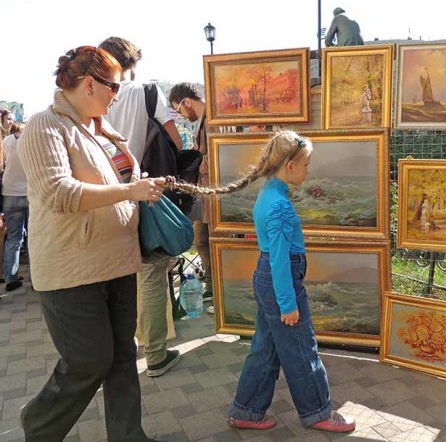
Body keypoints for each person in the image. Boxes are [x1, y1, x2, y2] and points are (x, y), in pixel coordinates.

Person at [17, 46, 164, 442]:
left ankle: (128, 436)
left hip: (116, 260)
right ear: (88, 84)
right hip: (72, 268)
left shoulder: (99, 128)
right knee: (88, 361)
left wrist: (141, 185)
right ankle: (39, 426)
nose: (118, 93)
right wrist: (129, 191)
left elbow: (113, 183)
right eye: (113, 86)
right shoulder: (43, 126)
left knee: (121, 359)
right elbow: (58, 193)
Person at [169, 130, 356, 433]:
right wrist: (288, 303)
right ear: (290, 166)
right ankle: (318, 412)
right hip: (280, 282)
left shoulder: (269, 191)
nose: (309, 171)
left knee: (266, 349)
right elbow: (281, 259)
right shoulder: (279, 204)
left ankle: (247, 410)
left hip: (268, 278)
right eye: (306, 164)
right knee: (301, 350)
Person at [100, 36, 183, 377]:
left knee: (119, 276)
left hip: (107, 193)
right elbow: (175, 140)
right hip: (146, 191)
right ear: (133, 62)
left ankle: (122, 350)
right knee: (151, 272)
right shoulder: (147, 92)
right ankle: (156, 354)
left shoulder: (96, 96)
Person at [168, 83, 215, 314]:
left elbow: (218, 155)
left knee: (209, 240)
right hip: (203, 192)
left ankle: (216, 288)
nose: (182, 116)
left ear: (187, 102)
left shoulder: (213, 118)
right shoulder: (206, 119)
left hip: (212, 193)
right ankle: (212, 284)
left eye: (179, 110)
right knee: (201, 240)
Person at [2, 122, 27, 292]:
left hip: (9, 193)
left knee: (13, 238)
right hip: (30, 192)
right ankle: (38, 281)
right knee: (35, 236)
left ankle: (11, 277)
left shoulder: (5, 142)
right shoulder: (30, 139)